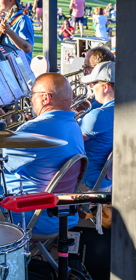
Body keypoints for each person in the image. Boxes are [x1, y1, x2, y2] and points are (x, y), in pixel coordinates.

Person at [3, 73, 85, 235]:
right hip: (62, 214)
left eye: (32, 95)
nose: (30, 100)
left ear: (45, 98)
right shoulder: (73, 125)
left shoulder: (33, 129)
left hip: (28, 216)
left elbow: (4, 164)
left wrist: (8, 133)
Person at [79, 61, 114, 190]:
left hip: (88, 184)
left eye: (93, 83)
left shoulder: (99, 114)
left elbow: (70, 140)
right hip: (107, 181)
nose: (91, 87)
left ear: (105, 87)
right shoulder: (125, 109)